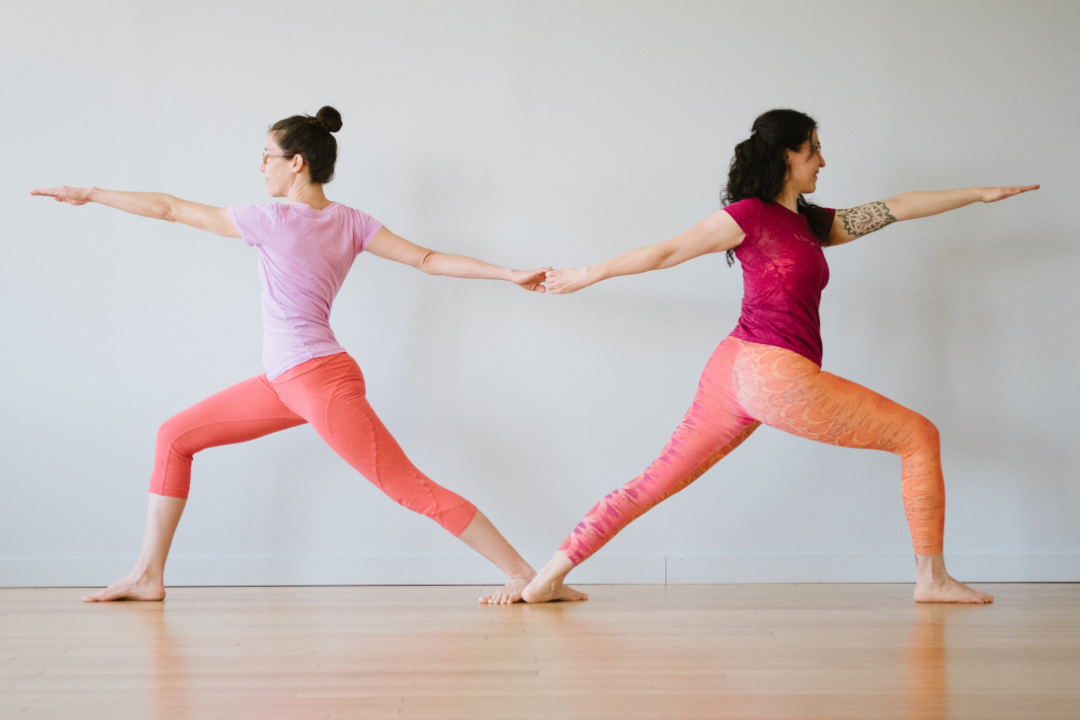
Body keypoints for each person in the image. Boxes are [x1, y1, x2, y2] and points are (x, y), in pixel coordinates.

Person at [32, 105, 571, 604]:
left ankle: (524, 574)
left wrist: (91, 192)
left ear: (297, 163)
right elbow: (427, 259)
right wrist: (506, 273)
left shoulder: (273, 219)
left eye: (267, 156)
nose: (260, 167)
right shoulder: (353, 221)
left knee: (408, 487)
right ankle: (148, 575)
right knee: (173, 436)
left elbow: (171, 209)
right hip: (288, 382)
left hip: (318, 381)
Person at [523, 108, 1038, 604]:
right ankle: (932, 578)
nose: (822, 161)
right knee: (919, 436)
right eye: (814, 150)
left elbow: (896, 206)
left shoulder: (812, 224)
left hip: (735, 368)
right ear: (787, 156)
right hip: (771, 371)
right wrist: (584, 275)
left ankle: (546, 579)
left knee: (654, 481)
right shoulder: (749, 215)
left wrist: (978, 194)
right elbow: (666, 252)